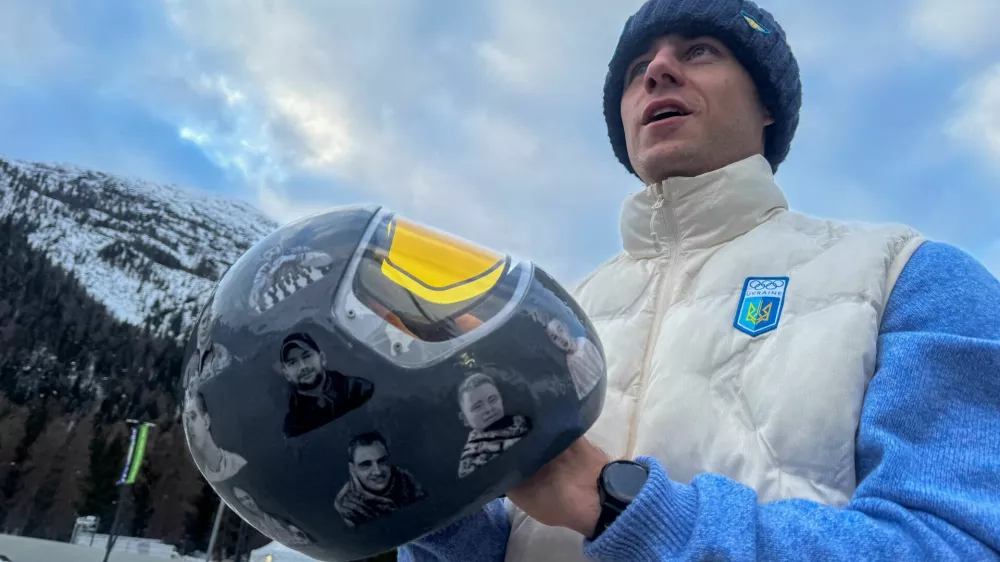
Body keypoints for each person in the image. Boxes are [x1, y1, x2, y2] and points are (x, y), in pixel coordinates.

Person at [397, 0, 1000, 560]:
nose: (658, 70)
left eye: (699, 50)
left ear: (767, 105)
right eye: (637, 67)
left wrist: (616, 503)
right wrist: (434, 505)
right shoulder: (550, 313)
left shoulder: (908, 274)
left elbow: (957, 542)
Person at [278, 332, 375, 437]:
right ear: (287, 374)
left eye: (307, 356)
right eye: (293, 363)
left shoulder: (357, 389)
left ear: (322, 358)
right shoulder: (294, 426)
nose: (303, 367)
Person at [334, 431, 426, 527]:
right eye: (365, 465)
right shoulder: (346, 506)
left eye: (382, 461)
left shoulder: (407, 480)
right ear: (352, 468)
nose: (377, 471)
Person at [456, 372, 533, 478]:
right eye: (478, 407)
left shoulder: (525, 422)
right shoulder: (472, 460)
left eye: (493, 400)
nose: (489, 409)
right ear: (465, 419)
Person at [184, 391, 247, 483]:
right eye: (187, 419)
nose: (190, 425)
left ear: (206, 421)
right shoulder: (201, 477)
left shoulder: (237, 464)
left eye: (193, 417)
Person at [231, 486, 312, 546]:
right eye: (242, 500)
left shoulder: (274, 516)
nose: (247, 503)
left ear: (253, 498)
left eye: (247, 498)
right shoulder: (256, 525)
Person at [545, 318, 604, 400]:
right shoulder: (569, 362)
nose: (560, 338)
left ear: (566, 328)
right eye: (555, 338)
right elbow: (582, 388)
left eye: (560, 330)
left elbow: (600, 366)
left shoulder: (584, 343)